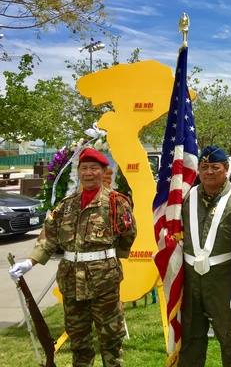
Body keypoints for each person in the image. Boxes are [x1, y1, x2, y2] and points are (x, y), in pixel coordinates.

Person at [9, 147, 136, 367]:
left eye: (94, 168)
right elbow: (49, 236)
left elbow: (128, 233)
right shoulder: (66, 205)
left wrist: (110, 258)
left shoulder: (116, 203)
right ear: (78, 172)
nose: (88, 173)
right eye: (84, 168)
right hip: (71, 284)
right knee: (78, 340)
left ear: (103, 171)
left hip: (104, 283)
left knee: (111, 339)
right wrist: (30, 262)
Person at [179, 145, 231, 367]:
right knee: (190, 340)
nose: (209, 172)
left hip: (224, 281)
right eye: (204, 167)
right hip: (191, 281)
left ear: (226, 168)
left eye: (215, 167)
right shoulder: (188, 198)